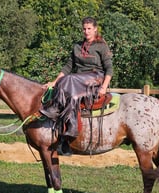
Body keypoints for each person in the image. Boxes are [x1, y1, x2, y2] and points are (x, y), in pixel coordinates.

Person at [40, 17, 113, 153]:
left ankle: (55, 109)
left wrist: (104, 87)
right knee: (69, 88)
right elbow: (68, 67)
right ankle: (67, 134)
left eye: (89, 28)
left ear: (95, 29)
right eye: (84, 29)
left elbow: (109, 68)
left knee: (70, 79)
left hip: (95, 78)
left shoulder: (101, 46)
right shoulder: (77, 46)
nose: (86, 31)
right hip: (78, 81)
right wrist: (54, 82)